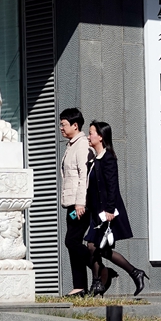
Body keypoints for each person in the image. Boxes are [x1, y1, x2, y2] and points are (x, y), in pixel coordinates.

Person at [85, 120, 149, 297]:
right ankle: (134, 273)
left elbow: (113, 186)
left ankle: (99, 281)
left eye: (91, 132)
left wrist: (110, 210)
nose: (89, 135)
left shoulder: (108, 158)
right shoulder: (94, 159)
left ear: (101, 136)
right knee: (98, 248)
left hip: (107, 212)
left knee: (93, 246)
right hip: (97, 212)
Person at [59, 107, 94, 297]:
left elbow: (84, 177)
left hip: (80, 205)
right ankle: (79, 287)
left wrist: (80, 204)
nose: (61, 128)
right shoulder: (72, 145)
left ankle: (100, 269)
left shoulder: (81, 146)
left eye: (64, 124)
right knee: (73, 243)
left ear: (75, 125)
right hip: (72, 204)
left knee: (71, 241)